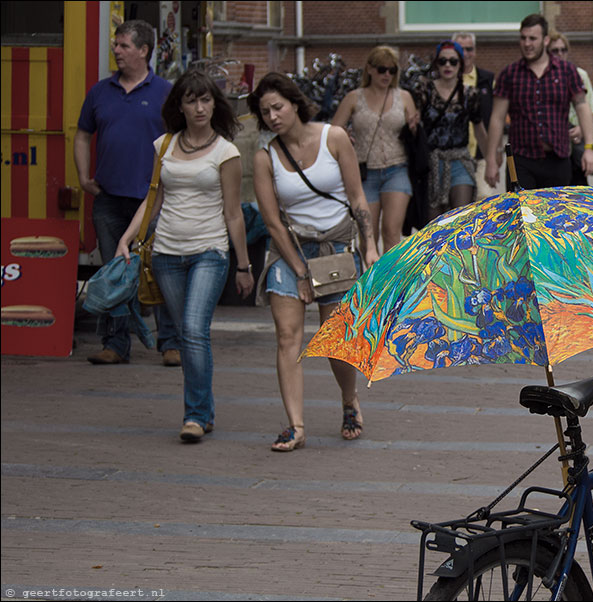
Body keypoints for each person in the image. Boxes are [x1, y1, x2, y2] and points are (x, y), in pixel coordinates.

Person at [114, 69, 254, 443]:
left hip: (210, 251)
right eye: (191, 100)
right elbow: (152, 198)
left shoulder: (227, 151)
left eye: (206, 99)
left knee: (192, 331)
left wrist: (243, 265)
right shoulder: (164, 145)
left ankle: (194, 415)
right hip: (166, 254)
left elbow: (233, 213)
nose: (199, 107)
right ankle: (204, 409)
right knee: (186, 336)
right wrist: (126, 238)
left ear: (215, 104)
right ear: (180, 105)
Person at [249, 73, 380, 452]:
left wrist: (370, 245)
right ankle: (296, 425)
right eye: (265, 112)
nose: (273, 116)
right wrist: (301, 272)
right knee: (287, 337)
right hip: (290, 251)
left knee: (335, 339)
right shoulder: (265, 157)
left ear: (294, 103)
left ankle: (348, 399)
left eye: (278, 107)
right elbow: (272, 222)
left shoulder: (333, 138)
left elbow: (357, 198)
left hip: (336, 249)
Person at [75, 19, 181, 367]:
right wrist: (83, 176)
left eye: (123, 46)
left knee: (159, 270)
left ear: (143, 50)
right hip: (108, 199)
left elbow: (180, 142)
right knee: (113, 271)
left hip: (152, 200)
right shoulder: (100, 92)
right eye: (116, 45)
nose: (116, 51)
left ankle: (170, 343)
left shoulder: (165, 92)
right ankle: (115, 344)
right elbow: (82, 135)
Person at [485, 14, 593, 191]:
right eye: (523, 38)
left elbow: (583, 107)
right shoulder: (509, 74)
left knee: (557, 217)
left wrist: (590, 148)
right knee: (522, 216)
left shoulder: (566, 71)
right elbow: (497, 119)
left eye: (532, 38)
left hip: (558, 158)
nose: (527, 43)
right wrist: (491, 160)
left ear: (545, 40)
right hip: (521, 160)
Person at [332, 46, 419, 252]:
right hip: (364, 173)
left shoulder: (404, 96)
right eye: (382, 69)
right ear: (369, 69)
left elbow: (414, 135)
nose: (387, 75)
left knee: (391, 233)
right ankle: (374, 280)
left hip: (396, 168)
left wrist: (414, 128)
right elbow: (333, 131)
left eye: (392, 70)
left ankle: (393, 281)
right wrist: (346, 137)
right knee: (368, 237)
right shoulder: (354, 97)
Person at [416, 40, 489, 222]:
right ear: (436, 64)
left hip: (459, 160)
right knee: (434, 226)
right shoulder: (425, 90)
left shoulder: (469, 94)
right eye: (443, 61)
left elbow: (479, 129)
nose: (448, 65)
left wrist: (491, 163)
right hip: (432, 161)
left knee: (460, 220)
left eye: (453, 61)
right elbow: (414, 122)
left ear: (461, 65)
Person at [547, 30, 593, 186]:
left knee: (577, 191)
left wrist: (580, 129)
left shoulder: (579, 74)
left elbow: (592, 109)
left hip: (575, 143)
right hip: (554, 145)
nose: (560, 54)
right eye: (555, 50)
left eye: (563, 50)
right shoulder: (541, 77)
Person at [452, 31, 498, 201]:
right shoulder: (445, 78)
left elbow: (496, 117)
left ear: (475, 51)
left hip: (482, 153)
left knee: (484, 198)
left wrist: (496, 151)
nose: (465, 54)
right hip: (455, 155)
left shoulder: (487, 80)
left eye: (469, 49)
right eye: (460, 49)